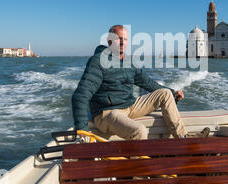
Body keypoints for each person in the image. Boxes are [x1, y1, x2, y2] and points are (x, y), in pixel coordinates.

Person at [71, 25, 210, 140]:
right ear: (109, 41)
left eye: (125, 39)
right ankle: (139, 172)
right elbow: (80, 96)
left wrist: (173, 93)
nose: (122, 42)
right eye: (118, 39)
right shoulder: (98, 61)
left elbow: (148, 83)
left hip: (129, 106)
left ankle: (183, 138)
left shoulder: (129, 61)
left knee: (165, 94)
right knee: (139, 131)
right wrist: (82, 132)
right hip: (107, 113)